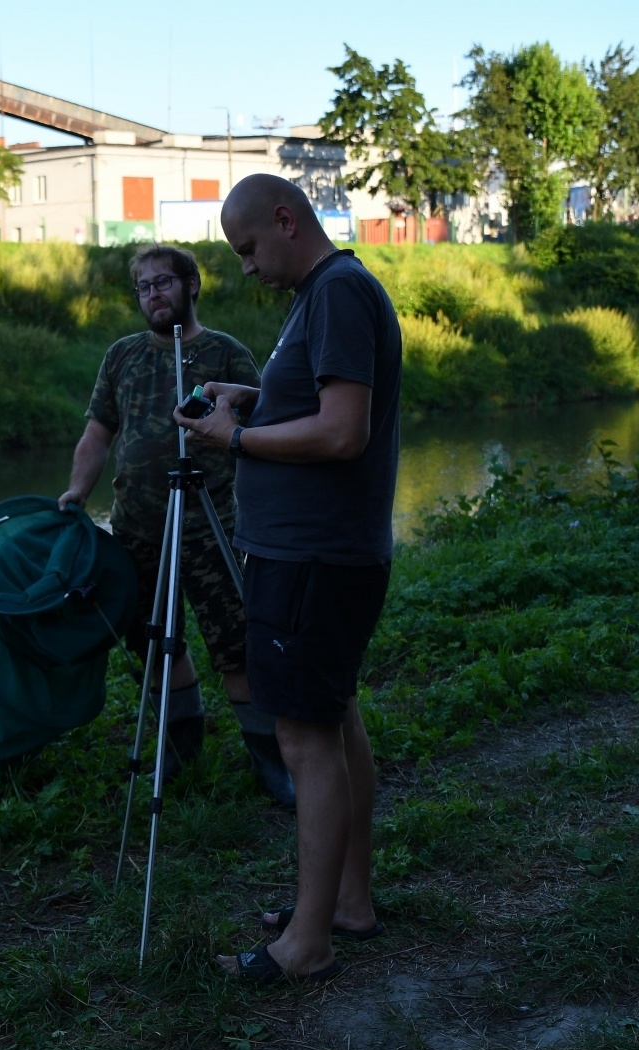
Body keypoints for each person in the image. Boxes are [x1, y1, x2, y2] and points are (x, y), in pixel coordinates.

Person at [176, 174, 401, 984]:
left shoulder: (338, 292)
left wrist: (235, 439)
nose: (244, 268)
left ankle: (307, 943)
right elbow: (315, 402)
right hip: (319, 554)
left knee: (305, 738)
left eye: (247, 249)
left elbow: (344, 431)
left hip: (313, 556)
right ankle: (346, 902)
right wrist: (256, 397)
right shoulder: (324, 295)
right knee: (333, 718)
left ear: (285, 219)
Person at [58, 244, 293, 808]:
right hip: (139, 529)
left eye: (164, 282)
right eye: (144, 286)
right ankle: (183, 744)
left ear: (192, 286)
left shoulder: (225, 352)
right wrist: (75, 492)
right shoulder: (122, 356)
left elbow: (266, 420)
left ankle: (270, 758)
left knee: (235, 645)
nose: (154, 294)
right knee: (153, 641)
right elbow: (98, 434)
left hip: (213, 526)